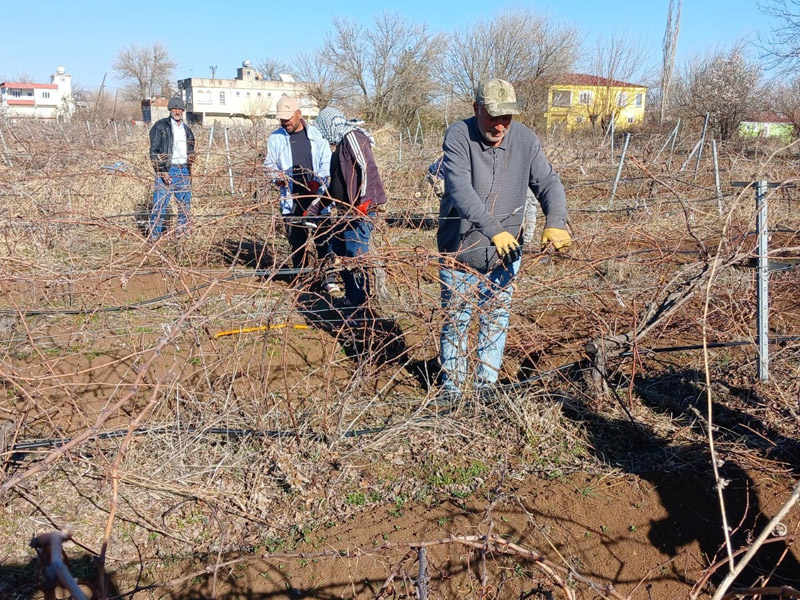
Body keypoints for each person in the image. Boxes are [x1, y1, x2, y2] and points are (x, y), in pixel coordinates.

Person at [436, 78, 571, 402]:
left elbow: (549, 183)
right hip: (460, 252)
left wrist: (556, 221)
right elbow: (459, 188)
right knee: (456, 321)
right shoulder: (458, 135)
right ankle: (452, 392)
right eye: (492, 117)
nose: (499, 127)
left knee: (495, 319)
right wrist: (494, 229)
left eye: (506, 118)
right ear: (476, 109)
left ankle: (485, 391)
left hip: (505, 256)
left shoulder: (525, 140)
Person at [312, 106, 387, 310]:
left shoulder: (352, 136)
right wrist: (315, 208)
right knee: (339, 250)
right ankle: (352, 299)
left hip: (361, 210)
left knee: (355, 255)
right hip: (346, 212)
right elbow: (334, 185)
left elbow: (367, 167)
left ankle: (360, 305)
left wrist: (365, 200)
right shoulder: (338, 149)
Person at [264, 95, 338, 293]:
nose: (285, 121)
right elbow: (269, 165)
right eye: (281, 118)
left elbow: (326, 162)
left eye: (288, 117)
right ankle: (302, 278)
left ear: (299, 114)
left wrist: (319, 181)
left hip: (317, 197)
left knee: (323, 239)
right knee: (297, 242)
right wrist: (277, 177)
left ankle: (328, 278)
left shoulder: (316, 134)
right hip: (291, 199)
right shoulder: (276, 138)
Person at [148, 96, 195, 239]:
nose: (177, 111)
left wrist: (191, 157)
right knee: (160, 206)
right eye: (174, 108)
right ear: (170, 110)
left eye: (179, 108)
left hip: (183, 171)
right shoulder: (160, 126)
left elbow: (191, 149)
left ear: (182, 110)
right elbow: (153, 151)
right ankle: (154, 238)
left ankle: (182, 235)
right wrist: (161, 171)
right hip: (167, 170)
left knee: (184, 206)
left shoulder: (187, 130)